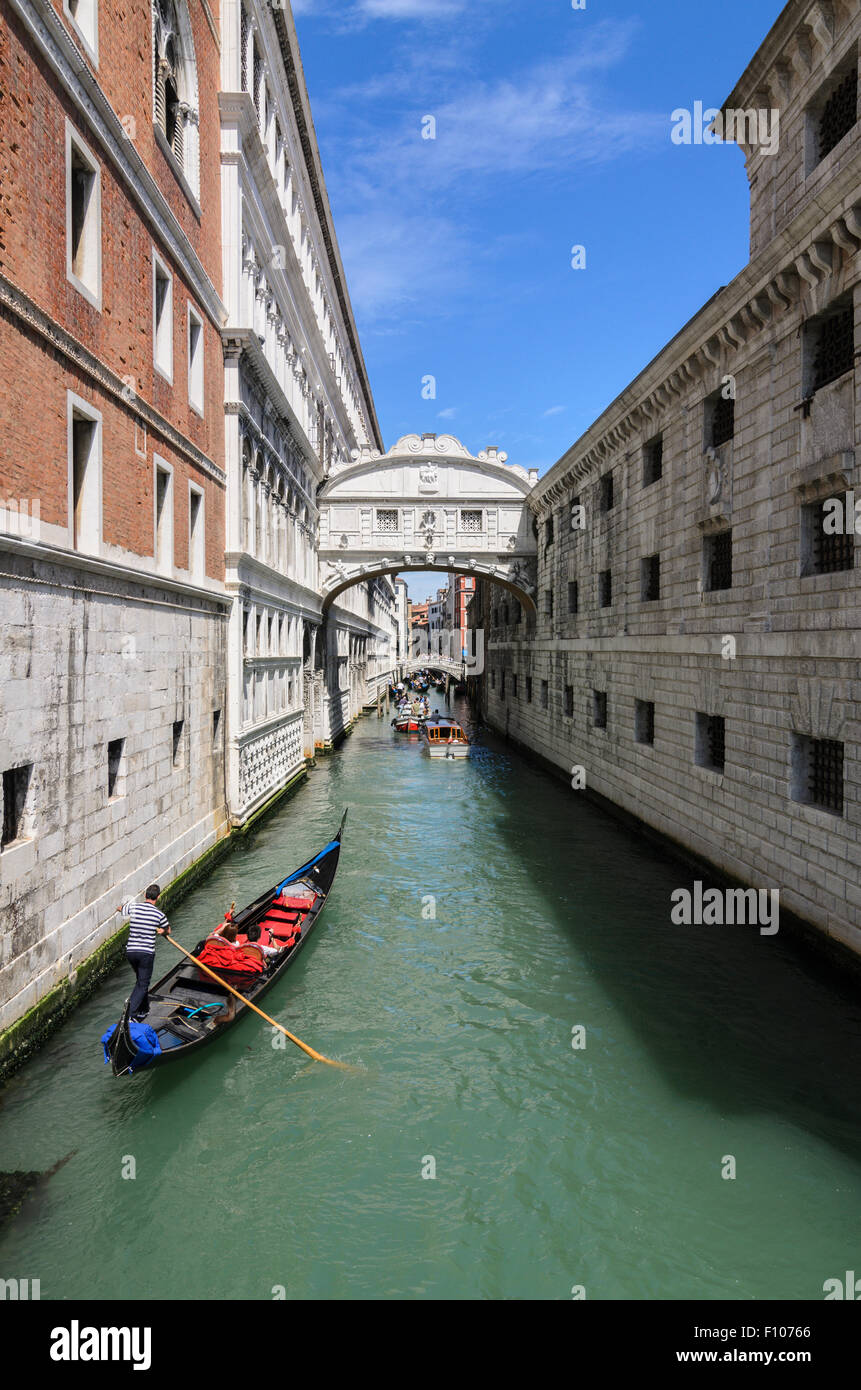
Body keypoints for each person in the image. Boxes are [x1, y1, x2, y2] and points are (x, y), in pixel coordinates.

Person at [115, 885, 171, 1022]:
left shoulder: (133, 908)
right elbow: (168, 930)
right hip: (146, 954)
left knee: (141, 980)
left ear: (145, 896)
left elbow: (120, 909)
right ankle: (129, 1015)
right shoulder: (159, 914)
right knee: (142, 983)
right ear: (158, 897)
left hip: (131, 952)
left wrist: (122, 908)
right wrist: (161, 931)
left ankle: (143, 1010)